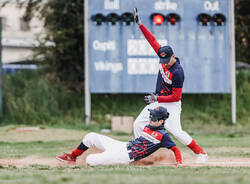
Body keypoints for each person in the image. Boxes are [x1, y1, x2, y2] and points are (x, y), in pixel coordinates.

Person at [133, 8, 208, 163]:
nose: (164, 64)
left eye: (166, 62)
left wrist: (156, 97)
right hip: (158, 100)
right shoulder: (163, 54)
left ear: (172, 57)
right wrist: (140, 24)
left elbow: (176, 96)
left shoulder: (178, 72)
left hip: (172, 104)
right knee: (138, 124)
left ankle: (201, 153)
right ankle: (142, 151)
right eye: (162, 62)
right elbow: (152, 40)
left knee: (177, 132)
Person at [56, 106, 182, 166]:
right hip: (122, 146)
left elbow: (175, 149)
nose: (150, 118)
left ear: (161, 121)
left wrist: (179, 163)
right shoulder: (148, 127)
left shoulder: (163, 135)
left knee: (90, 160)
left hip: (124, 156)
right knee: (91, 136)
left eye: (153, 117)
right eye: (150, 115)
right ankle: (72, 157)